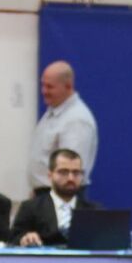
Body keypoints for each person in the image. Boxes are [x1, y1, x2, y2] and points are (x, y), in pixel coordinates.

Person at [28, 61, 99, 195]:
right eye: (43, 85)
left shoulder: (76, 120)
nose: (44, 91)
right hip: (45, 195)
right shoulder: (53, 111)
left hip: (62, 196)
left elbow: (70, 172)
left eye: (49, 87)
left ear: (68, 86)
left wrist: (55, 202)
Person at [11, 149, 97, 247]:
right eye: (63, 172)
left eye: (76, 172)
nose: (71, 178)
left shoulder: (93, 211)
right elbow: (13, 239)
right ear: (50, 175)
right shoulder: (30, 208)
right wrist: (25, 238)